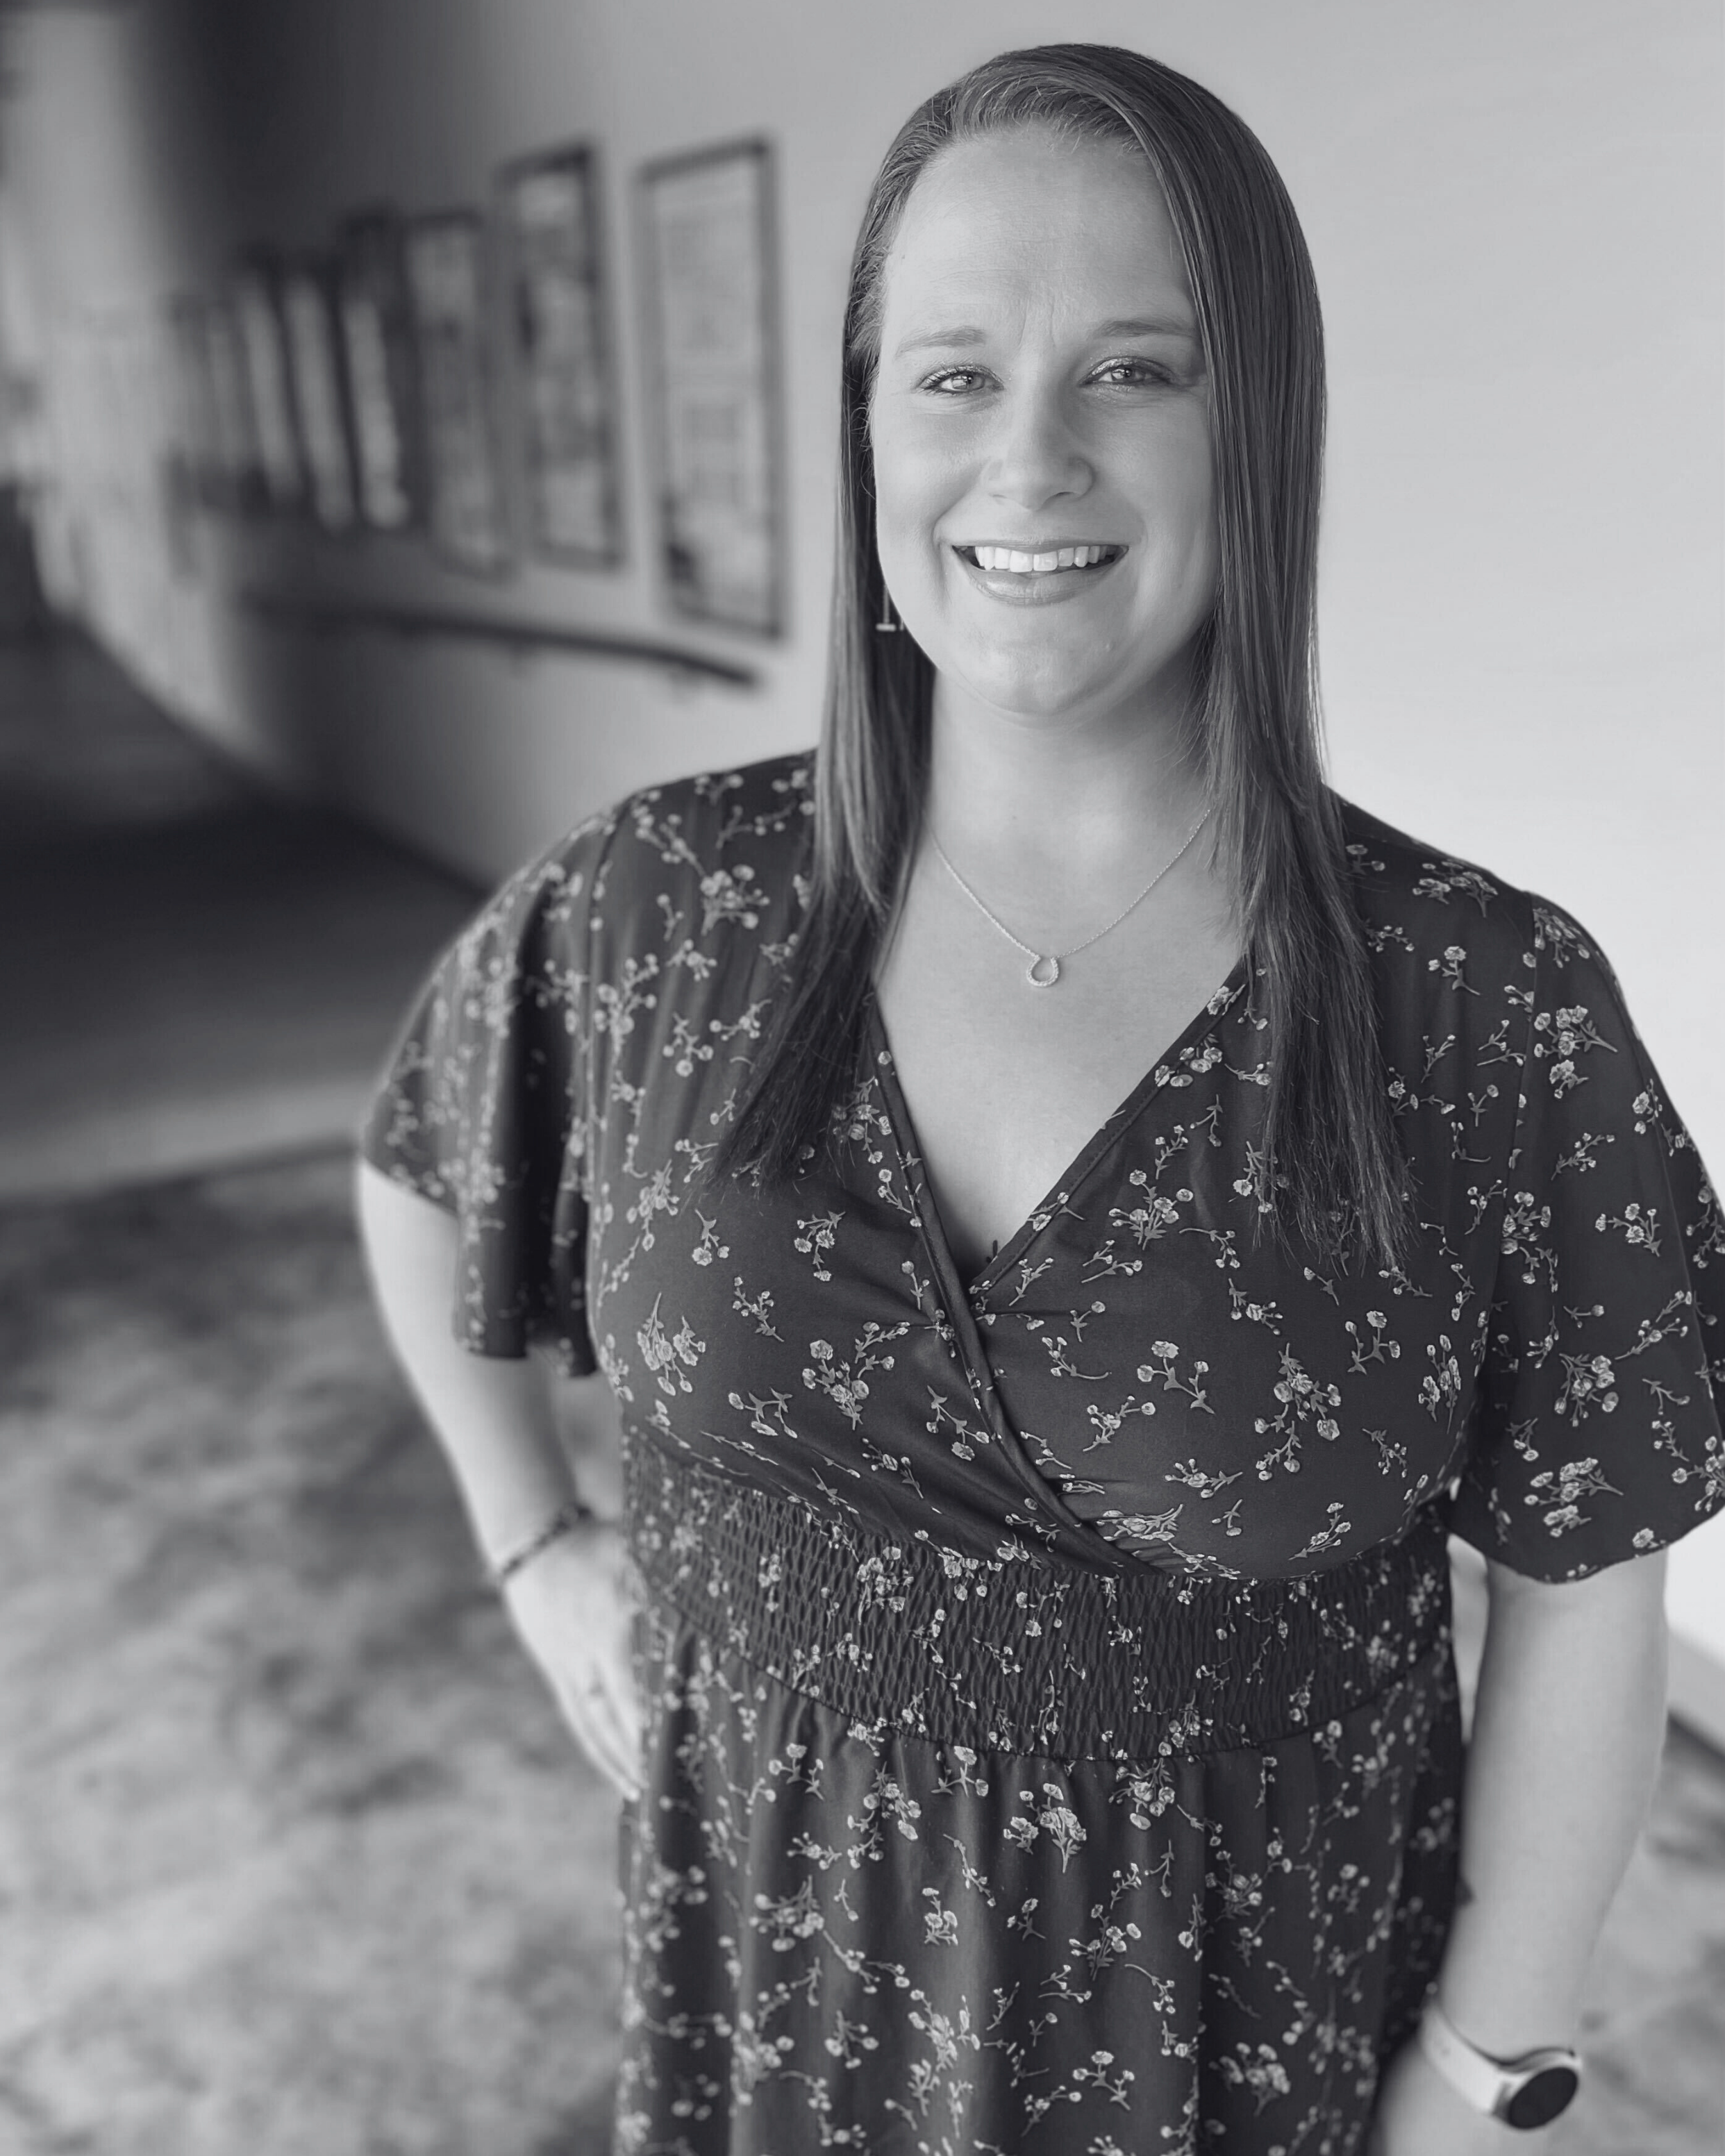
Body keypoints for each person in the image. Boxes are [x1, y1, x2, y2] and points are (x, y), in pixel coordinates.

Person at [356, 43, 1724, 2155]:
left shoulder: (1476, 1005)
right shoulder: (666, 903)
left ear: (1251, 424)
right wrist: (532, 1537)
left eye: (1133, 371)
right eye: (953, 375)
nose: (1029, 460)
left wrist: (1475, 2079)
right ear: (865, 428)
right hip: (763, 2017)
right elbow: (422, 1158)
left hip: (1236, 2060)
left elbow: (1586, 1589)